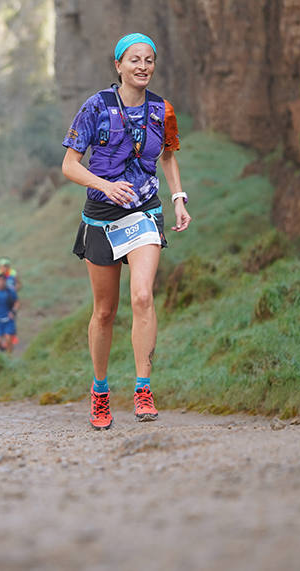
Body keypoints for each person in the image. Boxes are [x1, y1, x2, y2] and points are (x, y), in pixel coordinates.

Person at [61, 33, 191, 430]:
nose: (143, 66)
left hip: (144, 213)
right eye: (134, 59)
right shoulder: (95, 107)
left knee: (142, 296)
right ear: (118, 65)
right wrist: (104, 185)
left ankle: (143, 388)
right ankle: (100, 393)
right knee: (104, 312)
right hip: (101, 216)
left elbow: (167, 155)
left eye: (149, 60)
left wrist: (178, 198)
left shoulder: (161, 110)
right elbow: (69, 165)